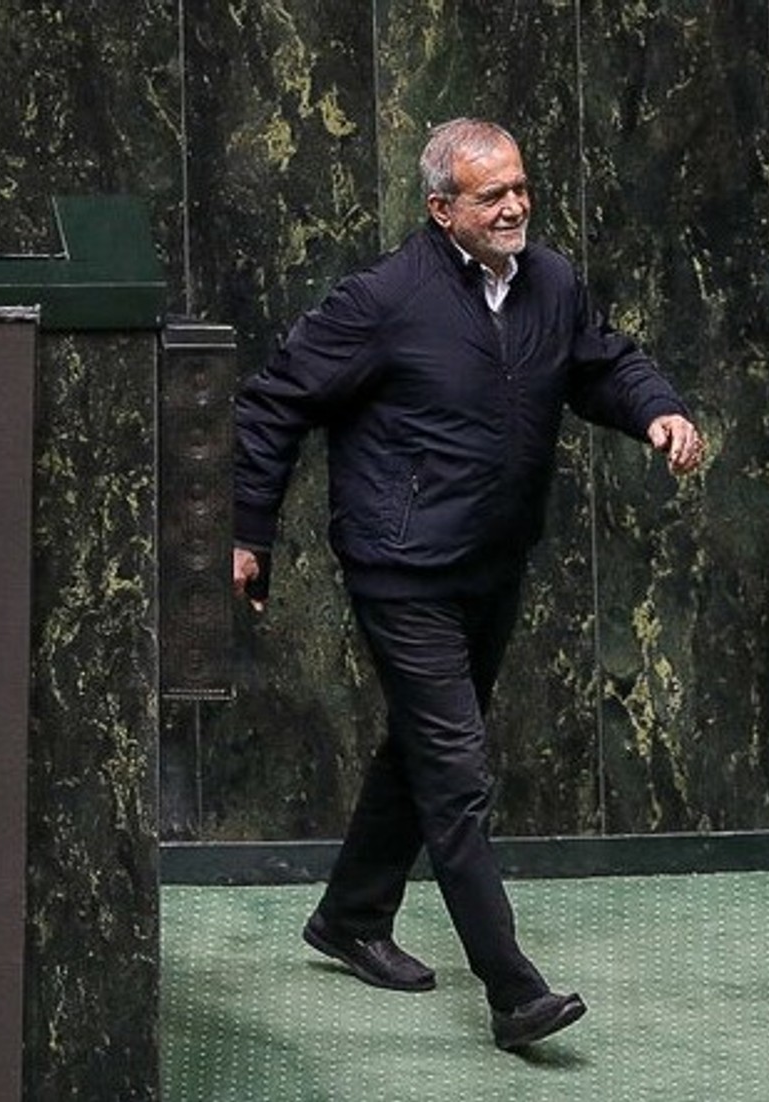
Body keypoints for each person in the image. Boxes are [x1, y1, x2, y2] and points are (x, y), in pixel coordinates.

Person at [231, 117, 704, 1051]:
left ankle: (351, 915)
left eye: (520, 187)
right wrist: (248, 532)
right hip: (400, 568)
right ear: (442, 209)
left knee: (423, 746)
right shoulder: (384, 299)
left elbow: (601, 363)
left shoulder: (550, 282)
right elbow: (273, 404)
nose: (515, 206)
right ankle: (513, 991)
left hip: (492, 561)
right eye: (492, 195)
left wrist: (657, 411)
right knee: (455, 769)